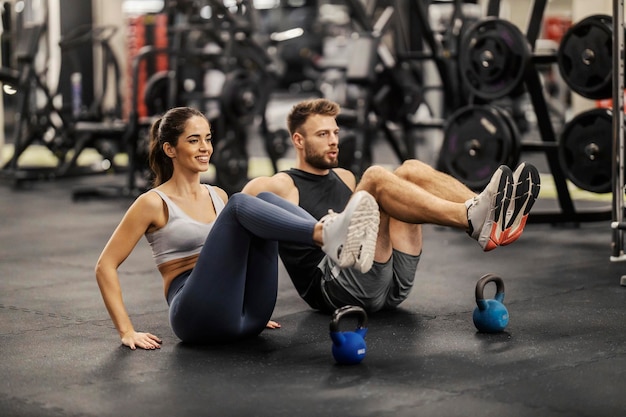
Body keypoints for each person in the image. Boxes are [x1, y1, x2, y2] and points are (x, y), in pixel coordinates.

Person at [94, 106, 381, 349]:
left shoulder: (217, 195)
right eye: (194, 140)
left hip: (244, 317)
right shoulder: (153, 202)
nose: (205, 147)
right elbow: (105, 265)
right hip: (194, 316)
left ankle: (330, 235)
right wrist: (126, 331)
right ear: (170, 148)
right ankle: (325, 234)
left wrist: (245, 302)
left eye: (207, 138)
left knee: (266, 200)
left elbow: (235, 256)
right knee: (242, 203)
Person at [242, 98, 541, 314]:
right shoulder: (277, 185)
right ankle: (471, 219)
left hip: (390, 284)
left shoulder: (344, 177)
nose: (334, 141)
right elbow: (237, 227)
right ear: (298, 140)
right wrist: (248, 309)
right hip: (335, 289)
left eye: (335, 132)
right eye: (323, 135)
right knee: (374, 177)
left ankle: (486, 211)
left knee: (410, 169)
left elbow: (375, 219)